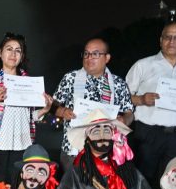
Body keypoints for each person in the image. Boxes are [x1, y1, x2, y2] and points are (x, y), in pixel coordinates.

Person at [125, 21, 176, 185]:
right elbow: (121, 98)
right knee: (142, 184)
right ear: (160, 40)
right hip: (147, 135)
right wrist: (141, 99)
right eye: (167, 37)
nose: (172, 42)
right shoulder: (143, 65)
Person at [0, 32, 53, 185]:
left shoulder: (29, 83)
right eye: (9, 49)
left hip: (22, 144)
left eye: (18, 50)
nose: (13, 54)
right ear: (0, 53)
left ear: (22, 56)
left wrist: (45, 110)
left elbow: (30, 117)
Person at [51, 38, 133, 171]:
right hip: (74, 150)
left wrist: (124, 119)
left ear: (107, 58)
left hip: (106, 150)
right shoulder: (70, 78)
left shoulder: (118, 83)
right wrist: (62, 111)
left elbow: (129, 112)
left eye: (95, 54)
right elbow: (53, 106)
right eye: (86, 53)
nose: (89, 58)